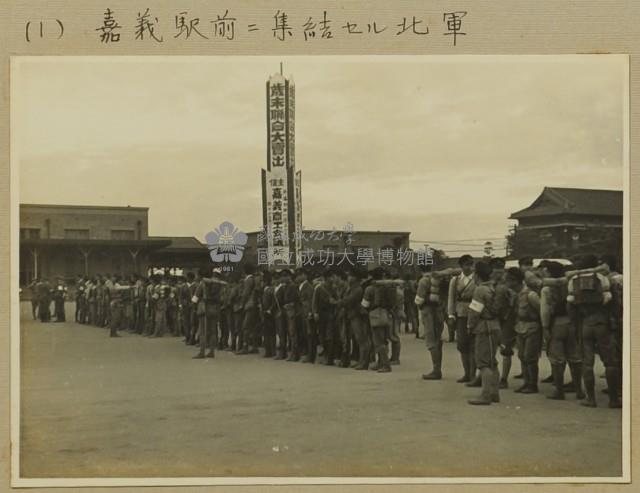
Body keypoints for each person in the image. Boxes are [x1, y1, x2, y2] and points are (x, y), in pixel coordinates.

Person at [566, 255, 620, 408]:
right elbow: (613, 301)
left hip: (585, 323)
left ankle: (591, 399)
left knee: (587, 362)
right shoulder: (602, 278)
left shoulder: (573, 281)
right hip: (602, 322)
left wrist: (575, 323)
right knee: (610, 362)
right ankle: (614, 399)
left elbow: (570, 306)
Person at [540, 261, 584, 400]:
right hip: (571, 322)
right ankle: (579, 390)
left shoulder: (547, 289)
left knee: (557, 359)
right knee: (575, 357)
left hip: (556, 323)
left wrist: (545, 327)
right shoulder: (570, 284)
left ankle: (559, 391)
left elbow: (545, 311)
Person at [466, 260, 501, 405]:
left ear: (477, 275)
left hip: (484, 327)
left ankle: (485, 395)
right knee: (492, 362)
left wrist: (469, 326)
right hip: (495, 325)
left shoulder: (480, 290)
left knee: (483, 363)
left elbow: (475, 311)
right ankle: (494, 393)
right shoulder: (493, 287)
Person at [506, 267, 541, 394]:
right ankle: (526, 382)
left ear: (515, 281)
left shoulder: (531, 295)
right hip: (520, 328)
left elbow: (540, 312)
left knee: (530, 357)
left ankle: (533, 384)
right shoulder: (515, 295)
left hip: (532, 328)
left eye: (509, 280)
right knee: (522, 356)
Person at [447, 255, 476, 383]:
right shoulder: (455, 280)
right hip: (461, 314)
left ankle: (473, 374)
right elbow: (451, 298)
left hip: (475, 314)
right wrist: (451, 315)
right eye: (466, 264)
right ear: (461, 266)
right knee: (462, 344)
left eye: (471, 264)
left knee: (474, 345)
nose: (469, 267)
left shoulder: (477, 279)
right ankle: (467, 373)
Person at [415, 265, 446, 380]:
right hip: (439, 311)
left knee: (431, 341)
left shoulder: (423, 281)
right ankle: (438, 369)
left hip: (428, 311)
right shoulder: (439, 279)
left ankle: (436, 370)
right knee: (438, 340)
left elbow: (419, 300)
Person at [361, 267, 393, 373]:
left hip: (375, 315)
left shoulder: (370, 289)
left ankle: (385, 365)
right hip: (386, 315)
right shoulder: (388, 287)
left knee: (378, 342)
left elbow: (365, 304)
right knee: (384, 340)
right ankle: (381, 362)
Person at [192, 267, 226, 359]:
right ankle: (211, 351)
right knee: (213, 331)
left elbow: (196, 296)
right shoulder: (221, 285)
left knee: (203, 331)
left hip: (204, 308)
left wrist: (194, 306)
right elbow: (223, 298)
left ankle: (202, 352)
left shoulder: (204, 283)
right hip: (215, 308)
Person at [340, 267, 368, 369]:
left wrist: (340, 301)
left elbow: (348, 300)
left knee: (361, 339)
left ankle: (363, 362)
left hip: (357, 316)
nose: (348, 277)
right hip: (351, 315)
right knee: (358, 339)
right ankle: (361, 361)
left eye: (350, 275)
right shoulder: (352, 287)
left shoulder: (357, 289)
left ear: (355, 277)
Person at [297, 269, 316, 363]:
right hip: (302, 313)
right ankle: (307, 354)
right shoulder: (301, 286)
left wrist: (310, 313)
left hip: (307, 313)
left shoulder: (308, 287)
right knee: (305, 334)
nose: (298, 277)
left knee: (309, 335)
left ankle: (311, 356)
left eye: (300, 275)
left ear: (304, 275)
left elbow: (310, 300)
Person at [261, 271, 277, 358]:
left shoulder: (270, 290)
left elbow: (274, 302)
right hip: (264, 313)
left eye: (262, 281)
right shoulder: (265, 290)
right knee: (266, 333)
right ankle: (268, 351)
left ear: (265, 282)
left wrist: (270, 310)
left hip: (269, 313)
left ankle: (272, 351)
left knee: (270, 333)